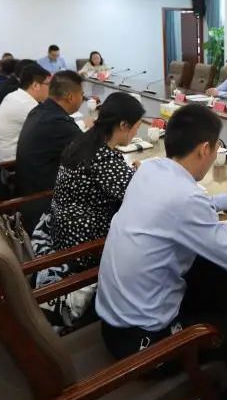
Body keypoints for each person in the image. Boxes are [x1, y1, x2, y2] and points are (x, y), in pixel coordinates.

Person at [95, 104, 227, 400]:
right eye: (215, 149)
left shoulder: (149, 170)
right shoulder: (185, 198)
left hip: (113, 320)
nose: (214, 155)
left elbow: (173, 208)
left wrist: (224, 200)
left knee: (214, 278)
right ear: (204, 149)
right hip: (143, 342)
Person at [31, 93, 145, 327]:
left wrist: (132, 174)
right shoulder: (104, 158)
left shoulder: (85, 140)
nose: (136, 134)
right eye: (136, 127)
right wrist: (142, 174)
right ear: (123, 125)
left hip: (62, 230)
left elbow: (114, 182)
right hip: (85, 246)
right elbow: (140, 200)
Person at [14, 71, 85, 227]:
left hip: (29, 190)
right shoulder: (59, 123)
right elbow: (92, 155)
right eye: (82, 94)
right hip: (44, 202)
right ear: (70, 97)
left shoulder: (40, 110)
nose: (83, 98)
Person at [0, 64, 50, 163]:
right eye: (48, 84)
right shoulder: (26, 105)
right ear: (35, 85)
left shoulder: (14, 95)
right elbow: (52, 129)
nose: (50, 88)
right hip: (8, 164)